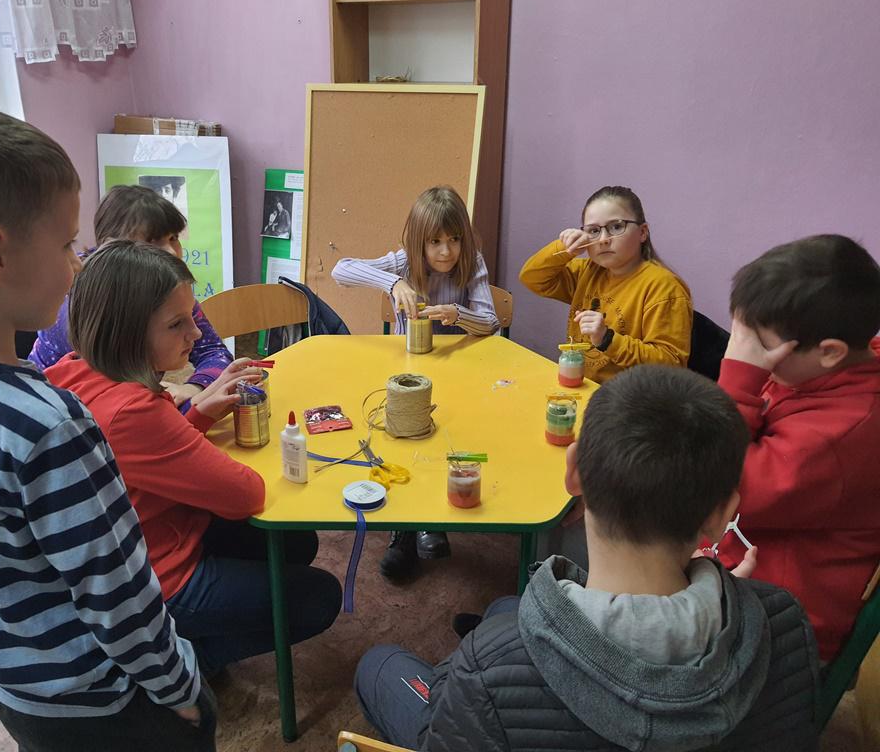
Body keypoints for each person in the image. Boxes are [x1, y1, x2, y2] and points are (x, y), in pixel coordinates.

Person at [0, 100, 214, 750]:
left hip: (6, 685)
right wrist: (182, 689)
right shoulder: (50, 426)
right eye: (65, 245)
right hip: (101, 703)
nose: (78, 265)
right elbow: (122, 599)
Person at [354, 365, 820, 751]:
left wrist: (459, 677)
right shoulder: (783, 620)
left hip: (482, 691)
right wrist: (736, 598)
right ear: (722, 516)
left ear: (573, 472)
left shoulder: (488, 665)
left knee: (379, 664)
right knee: (504, 608)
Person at [45, 240, 342, 673]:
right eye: (176, 324)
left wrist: (198, 414)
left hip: (138, 548)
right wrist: (187, 426)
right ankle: (177, 663)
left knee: (296, 542)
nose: (197, 333)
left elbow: (146, 457)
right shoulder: (134, 410)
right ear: (128, 331)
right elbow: (246, 493)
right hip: (159, 580)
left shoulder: (73, 368)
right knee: (320, 597)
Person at [716, 234, 880, 661]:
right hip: (740, 556)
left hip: (780, 626)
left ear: (830, 352)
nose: (750, 354)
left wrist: (738, 380)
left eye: (761, 345)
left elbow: (717, 484)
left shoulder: (842, 435)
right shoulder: (823, 370)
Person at [332, 185, 499, 577]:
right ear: (419, 242)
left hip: (457, 373)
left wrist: (457, 314)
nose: (445, 252)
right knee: (403, 439)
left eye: (454, 239)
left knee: (447, 439)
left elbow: (491, 322)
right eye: (434, 242)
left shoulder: (472, 263)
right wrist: (392, 283)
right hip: (407, 373)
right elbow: (341, 271)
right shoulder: (405, 263)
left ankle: (433, 518)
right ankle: (404, 531)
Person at [30, 184, 232, 409]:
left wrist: (193, 388)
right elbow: (114, 409)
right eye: (152, 242)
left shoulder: (168, 288)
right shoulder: (79, 305)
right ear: (111, 246)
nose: (171, 252)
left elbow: (213, 351)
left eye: (173, 238)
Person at [519, 185, 692, 383]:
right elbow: (531, 278)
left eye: (616, 227)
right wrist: (565, 248)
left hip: (630, 396)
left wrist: (607, 339)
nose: (603, 240)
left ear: (643, 232)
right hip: (584, 385)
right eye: (593, 231)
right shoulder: (589, 270)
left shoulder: (664, 287)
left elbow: (671, 365)